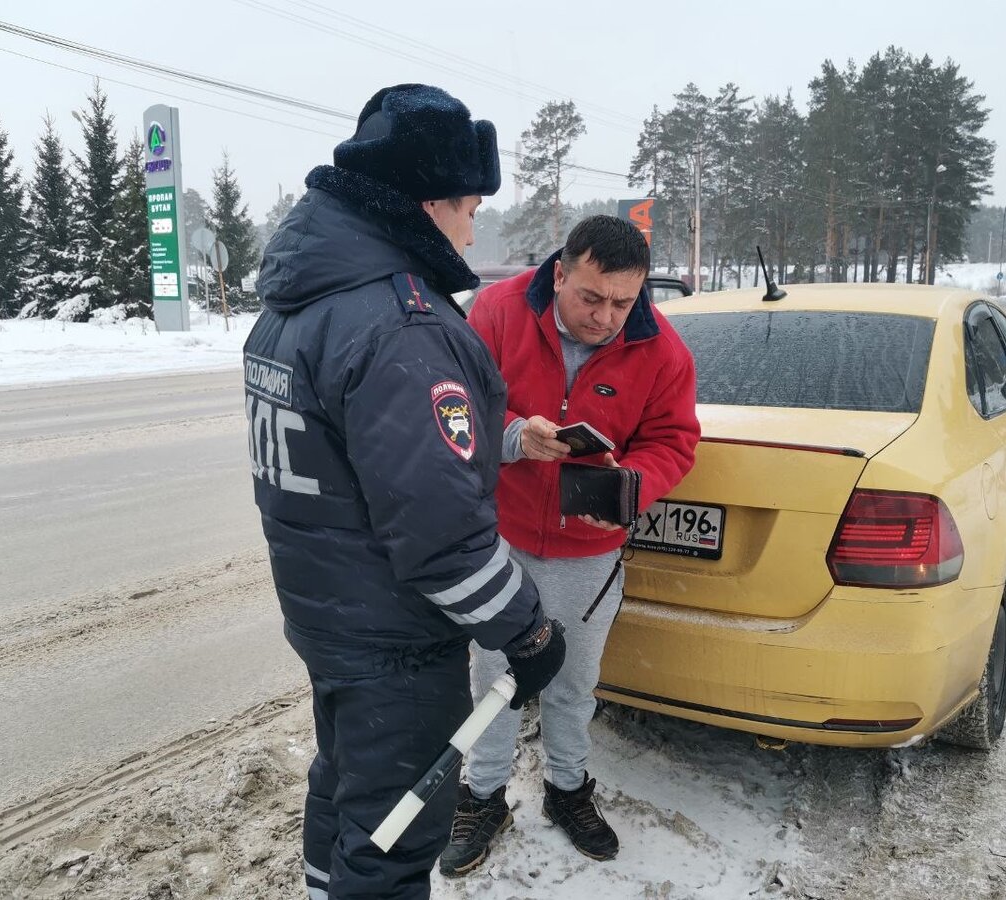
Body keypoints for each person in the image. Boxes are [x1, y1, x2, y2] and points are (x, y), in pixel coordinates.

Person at [243, 83, 566, 900]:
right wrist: (527, 634)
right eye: (467, 208)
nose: (471, 228)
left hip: (328, 621)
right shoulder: (401, 325)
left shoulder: (298, 306)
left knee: (346, 791)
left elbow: (357, 461)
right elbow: (441, 533)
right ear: (427, 204)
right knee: (392, 839)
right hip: (395, 646)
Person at [439, 216, 700, 875]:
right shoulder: (497, 311)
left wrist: (632, 484)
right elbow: (452, 404)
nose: (607, 317)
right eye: (591, 297)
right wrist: (512, 438)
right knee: (493, 679)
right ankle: (483, 793)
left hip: (589, 552)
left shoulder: (664, 350)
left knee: (574, 682)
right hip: (500, 539)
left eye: (623, 302)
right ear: (559, 272)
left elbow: (675, 440)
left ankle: (567, 788)